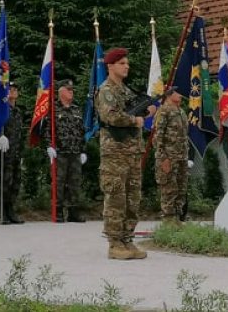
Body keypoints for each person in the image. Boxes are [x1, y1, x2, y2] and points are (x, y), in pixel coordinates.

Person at [96, 47, 156, 260]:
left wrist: (148, 110)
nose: (126, 66)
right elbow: (111, 116)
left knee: (132, 198)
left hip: (132, 152)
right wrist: (135, 120)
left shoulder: (126, 91)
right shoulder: (106, 91)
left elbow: (136, 108)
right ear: (110, 66)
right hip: (115, 153)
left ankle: (127, 239)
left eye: (127, 63)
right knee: (116, 197)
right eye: (122, 63)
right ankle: (114, 243)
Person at [43, 79, 87, 223]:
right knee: (59, 181)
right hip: (60, 151)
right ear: (61, 91)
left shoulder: (76, 109)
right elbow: (48, 129)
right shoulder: (52, 109)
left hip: (75, 151)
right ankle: (58, 211)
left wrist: (83, 150)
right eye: (68, 89)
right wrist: (49, 145)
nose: (71, 92)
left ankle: (74, 211)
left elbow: (81, 131)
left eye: (72, 89)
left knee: (75, 182)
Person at [0, 81, 25, 224]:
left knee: (15, 183)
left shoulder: (17, 112)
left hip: (15, 153)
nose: (13, 91)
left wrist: (21, 153)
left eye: (16, 89)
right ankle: (1, 212)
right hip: (3, 154)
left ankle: (10, 210)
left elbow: (20, 135)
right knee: (4, 183)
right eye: (10, 89)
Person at [153, 88, 189, 225]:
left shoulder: (181, 112)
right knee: (169, 188)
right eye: (178, 92)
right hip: (169, 157)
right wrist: (163, 158)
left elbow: (185, 136)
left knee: (181, 187)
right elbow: (158, 136)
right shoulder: (164, 111)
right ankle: (168, 219)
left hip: (181, 157)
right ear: (170, 94)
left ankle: (178, 217)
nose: (180, 95)